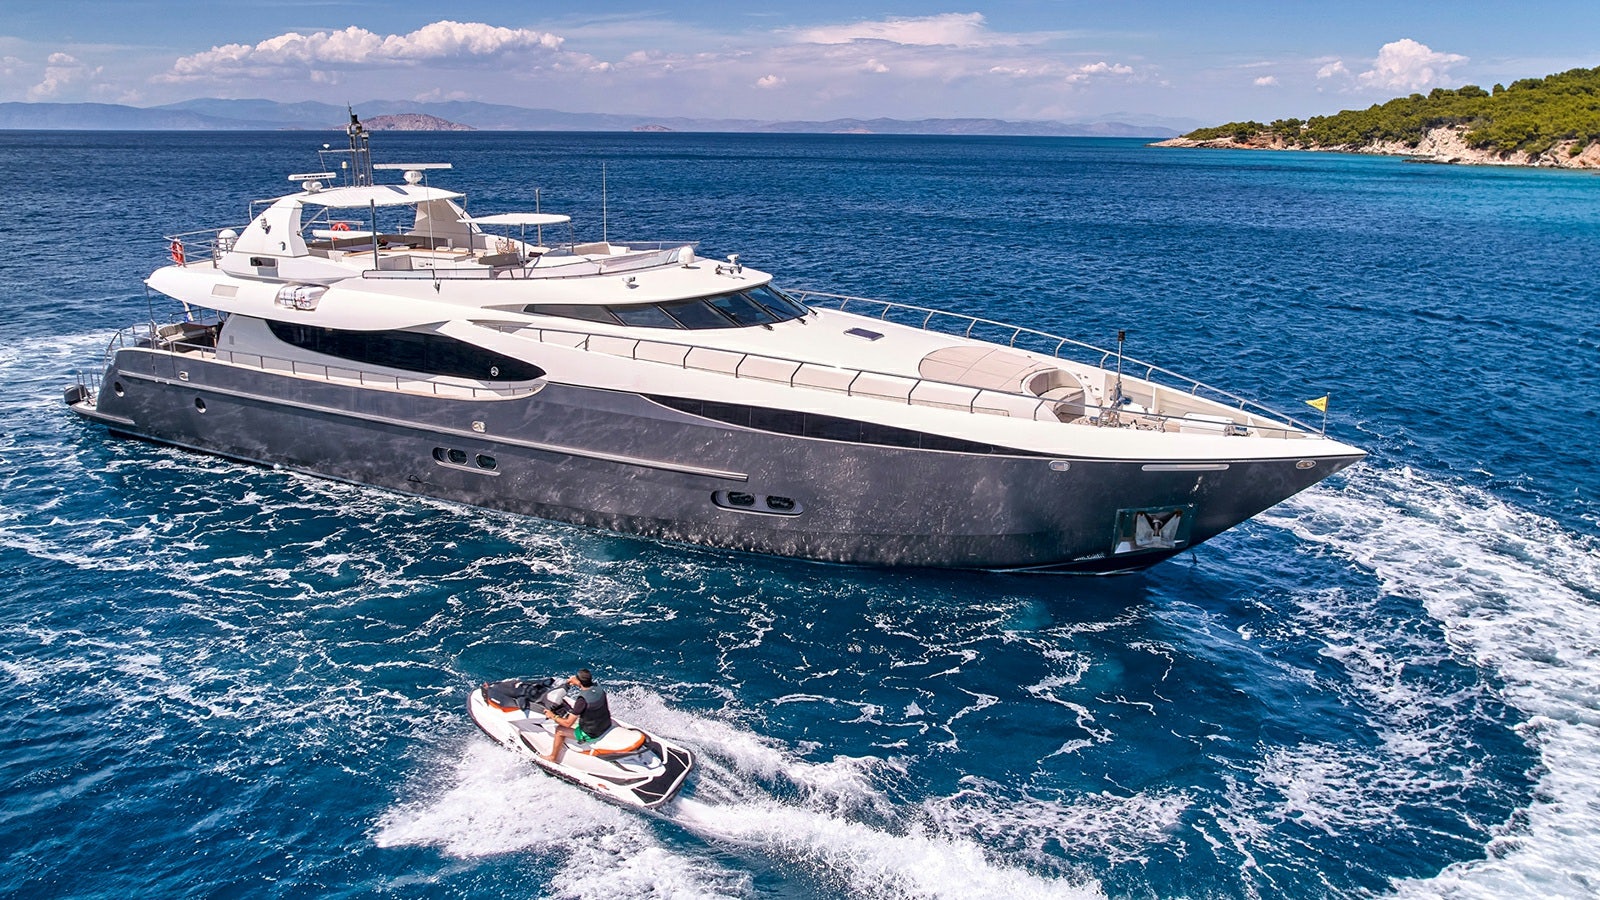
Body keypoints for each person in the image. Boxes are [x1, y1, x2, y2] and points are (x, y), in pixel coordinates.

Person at [542, 668, 612, 762]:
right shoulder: (598, 687)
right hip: (606, 723)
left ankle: (552, 757)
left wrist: (552, 716)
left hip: (592, 732)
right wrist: (574, 682)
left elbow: (568, 724)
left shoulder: (581, 701)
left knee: (559, 730)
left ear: (579, 681)